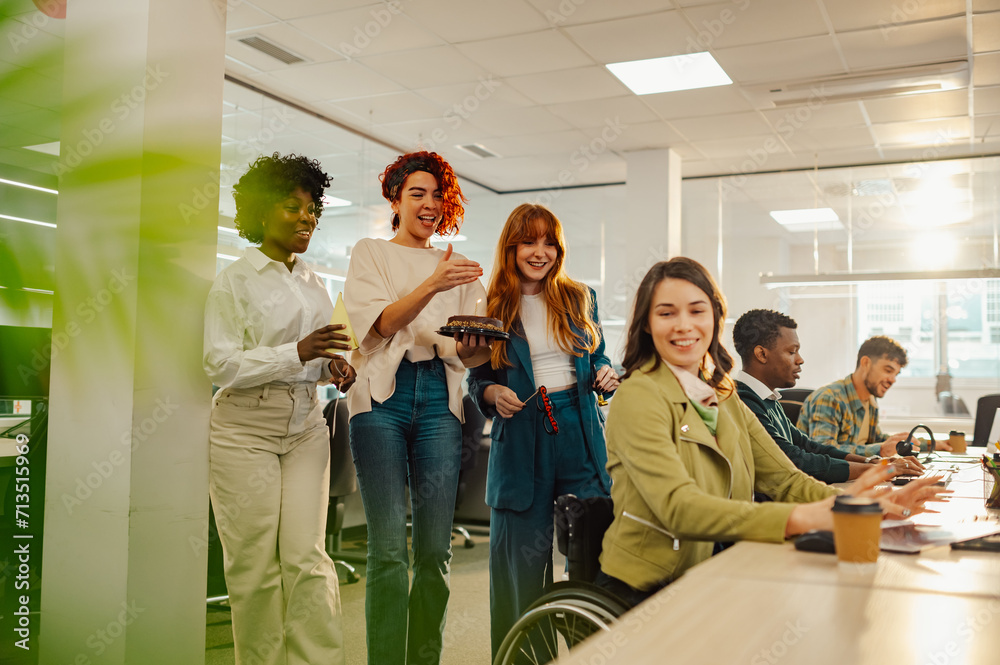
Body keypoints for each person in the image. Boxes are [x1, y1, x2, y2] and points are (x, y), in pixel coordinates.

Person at [594, 258, 946, 607]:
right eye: (667, 313)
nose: (684, 326)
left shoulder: (721, 394)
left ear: (714, 318)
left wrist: (864, 506)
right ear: (646, 324)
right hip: (651, 584)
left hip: (715, 565)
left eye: (697, 311)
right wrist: (800, 517)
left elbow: (786, 479)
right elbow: (679, 507)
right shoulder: (637, 397)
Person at [203, 153, 356, 665]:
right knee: (255, 567)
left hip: (306, 425)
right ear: (262, 211)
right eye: (293, 207)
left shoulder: (316, 284)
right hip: (244, 430)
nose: (306, 218)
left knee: (308, 559)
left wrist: (333, 369)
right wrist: (298, 352)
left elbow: (318, 359)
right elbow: (220, 365)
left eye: (313, 209)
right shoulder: (234, 281)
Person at [344, 150, 491, 665]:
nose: (428, 204)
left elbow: (465, 350)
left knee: (434, 552)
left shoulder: (461, 270)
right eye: (416, 194)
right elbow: (380, 327)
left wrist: (481, 342)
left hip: (439, 400)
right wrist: (434, 283)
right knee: (387, 551)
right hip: (381, 399)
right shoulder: (372, 253)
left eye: (436, 195)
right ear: (396, 199)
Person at [467, 203, 619, 657]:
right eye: (529, 242)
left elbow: (599, 356)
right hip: (522, 432)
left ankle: (589, 654)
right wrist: (492, 396)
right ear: (511, 247)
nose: (540, 252)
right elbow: (478, 378)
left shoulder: (579, 296)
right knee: (522, 565)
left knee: (592, 553)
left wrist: (606, 375)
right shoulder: (489, 303)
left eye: (549, 242)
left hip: (579, 427)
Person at [732, 309, 924, 482]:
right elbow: (795, 459)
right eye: (792, 351)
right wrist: (882, 470)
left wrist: (875, 462)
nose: (800, 359)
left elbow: (811, 446)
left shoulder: (769, 400)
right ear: (762, 354)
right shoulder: (743, 401)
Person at [797, 335, 951, 457]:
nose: (893, 380)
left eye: (896, 374)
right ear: (865, 363)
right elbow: (823, 450)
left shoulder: (870, 399)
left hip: (856, 473)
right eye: (888, 370)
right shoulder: (829, 397)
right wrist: (881, 450)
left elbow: (876, 440)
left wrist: (929, 444)